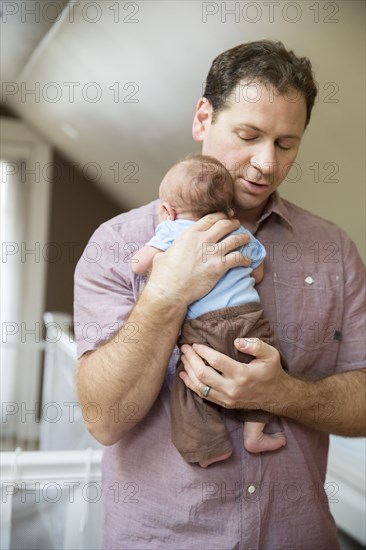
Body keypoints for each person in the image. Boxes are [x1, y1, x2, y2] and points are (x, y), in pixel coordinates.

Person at [74, 40, 365, 549]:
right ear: (204, 118)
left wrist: (281, 394)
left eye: (286, 143)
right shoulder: (117, 245)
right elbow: (104, 420)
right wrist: (166, 292)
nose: (264, 164)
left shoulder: (334, 250)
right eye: (248, 135)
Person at [131, 153, 287, 467]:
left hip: (204, 327)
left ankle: (208, 447)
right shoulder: (238, 232)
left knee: (191, 383)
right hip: (249, 318)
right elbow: (256, 274)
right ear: (228, 208)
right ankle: (255, 432)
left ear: (168, 210)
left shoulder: (173, 231)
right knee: (269, 369)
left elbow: (138, 264)